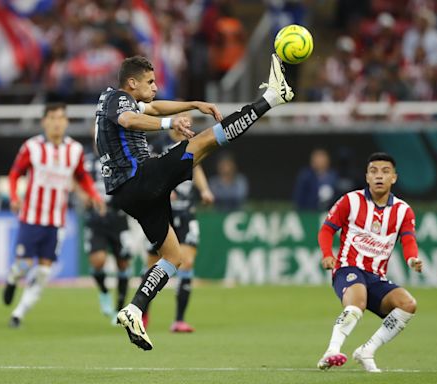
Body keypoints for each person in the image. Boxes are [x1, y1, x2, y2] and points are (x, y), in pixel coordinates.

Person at [95, 54, 293, 350]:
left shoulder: (122, 100)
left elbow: (153, 106)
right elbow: (131, 118)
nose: (155, 86)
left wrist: (193, 104)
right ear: (131, 83)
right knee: (206, 142)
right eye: (150, 82)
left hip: (133, 196)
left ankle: (135, 308)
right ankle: (271, 98)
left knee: (174, 258)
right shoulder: (117, 99)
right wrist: (168, 123)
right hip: (139, 177)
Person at [316, 152, 423, 372]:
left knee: (408, 304)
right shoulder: (350, 201)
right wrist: (327, 253)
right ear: (366, 177)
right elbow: (327, 230)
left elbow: (409, 239)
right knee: (357, 301)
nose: (379, 176)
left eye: (385, 172)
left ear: (394, 177)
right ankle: (331, 351)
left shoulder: (403, 210)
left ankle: (367, 351)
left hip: (376, 277)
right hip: (348, 269)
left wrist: (412, 259)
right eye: (373, 171)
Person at [3, 103, 105, 328]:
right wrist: (13, 197)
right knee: (24, 265)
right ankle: (12, 279)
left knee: (44, 271)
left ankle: (18, 314)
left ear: (67, 121)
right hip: (31, 218)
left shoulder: (74, 150)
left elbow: (82, 177)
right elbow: (14, 174)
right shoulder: (31, 147)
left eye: (61, 117)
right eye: (52, 118)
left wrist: (94, 196)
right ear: (44, 121)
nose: (57, 122)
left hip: (56, 222)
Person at [146, 126, 214, 333]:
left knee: (187, 262)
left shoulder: (193, 141)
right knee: (152, 265)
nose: (187, 123)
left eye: (190, 119)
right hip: (162, 213)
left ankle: (179, 320)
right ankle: (142, 311)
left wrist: (204, 190)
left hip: (186, 213)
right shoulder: (158, 144)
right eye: (184, 117)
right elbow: (148, 170)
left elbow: (197, 167)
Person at [83, 145, 132, 322]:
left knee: (123, 263)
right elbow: (75, 179)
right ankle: (104, 292)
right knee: (98, 260)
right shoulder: (87, 160)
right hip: (96, 217)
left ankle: (120, 309)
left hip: (118, 216)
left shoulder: (121, 157)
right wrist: (86, 198)